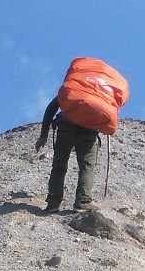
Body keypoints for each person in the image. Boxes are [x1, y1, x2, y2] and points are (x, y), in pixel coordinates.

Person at [34, 58, 129, 213]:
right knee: (87, 166)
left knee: (59, 165)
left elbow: (51, 108)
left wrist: (43, 135)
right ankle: (82, 202)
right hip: (89, 132)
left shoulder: (76, 87)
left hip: (66, 126)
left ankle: (53, 203)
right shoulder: (103, 93)